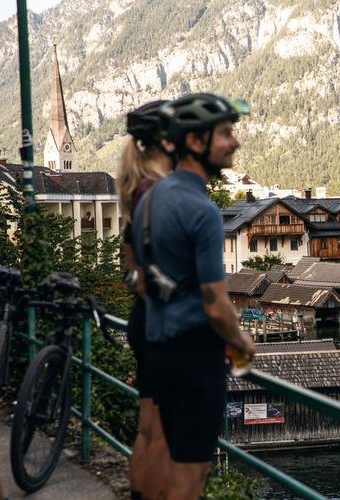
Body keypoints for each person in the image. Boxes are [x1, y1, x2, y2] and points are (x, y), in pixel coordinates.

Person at [131, 93, 257, 500]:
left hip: (158, 349)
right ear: (195, 142)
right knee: (188, 482)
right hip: (195, 357)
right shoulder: (202, 211)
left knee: (165, 462)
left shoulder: (150, 198)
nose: (233, 143)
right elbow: (215, 304)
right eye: (224, 134)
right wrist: (242, 343)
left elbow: (141, 279)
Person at [116, 99, 173, 500]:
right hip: (166, 328)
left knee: (148, 429)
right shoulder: (163, 194)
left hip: (143, 320)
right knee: (166, 440)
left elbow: (131, 271)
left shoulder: (137, 192)